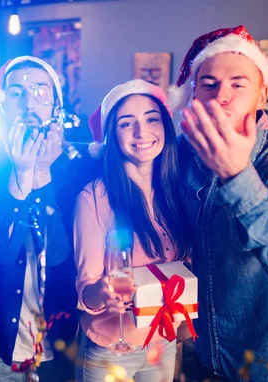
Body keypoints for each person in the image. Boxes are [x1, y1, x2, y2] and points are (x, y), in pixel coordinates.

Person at [169, 25, 268, 380]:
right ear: (193, 93)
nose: (222, 95)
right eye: (208, 83)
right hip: (204, 351)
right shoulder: (181, 153)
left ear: (262, 95)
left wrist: (237, 174)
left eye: (238, 84)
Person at [0, 56, 85, 381]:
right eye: (16, 92)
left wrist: (43, 175)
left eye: (40, 90)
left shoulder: (77, 167)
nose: (29, 101)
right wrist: (21, 174)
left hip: (58, 337)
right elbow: (2, 252)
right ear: (2, 104)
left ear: (56, 104)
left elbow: (61, 256)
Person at [74, 79, 190, 381]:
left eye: (151, 119)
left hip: (163, 339)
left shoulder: (177, 191)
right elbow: (86, 293)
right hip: (112, 349)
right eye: (127, 124)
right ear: (112, 137)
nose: (142, 133)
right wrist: (103, 292)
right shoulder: (93, 199)